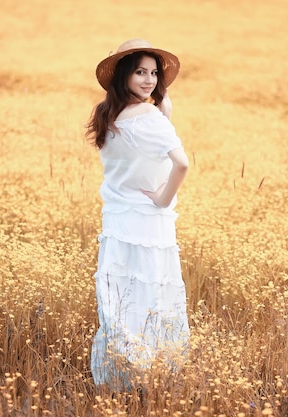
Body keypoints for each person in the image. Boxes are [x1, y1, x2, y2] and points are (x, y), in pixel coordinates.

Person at [86, 39, 190, 389]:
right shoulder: (149, 117)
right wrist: (162, 200)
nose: (148, 80)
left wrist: (162, 112)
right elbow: (182, 164)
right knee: (152, 292)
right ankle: (154, 377)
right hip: (148, 220)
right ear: (124, 76)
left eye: (153, 73)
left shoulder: (106, 114)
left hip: (117, 220)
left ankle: (119, 378)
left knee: (122, 296)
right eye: (140, 72)